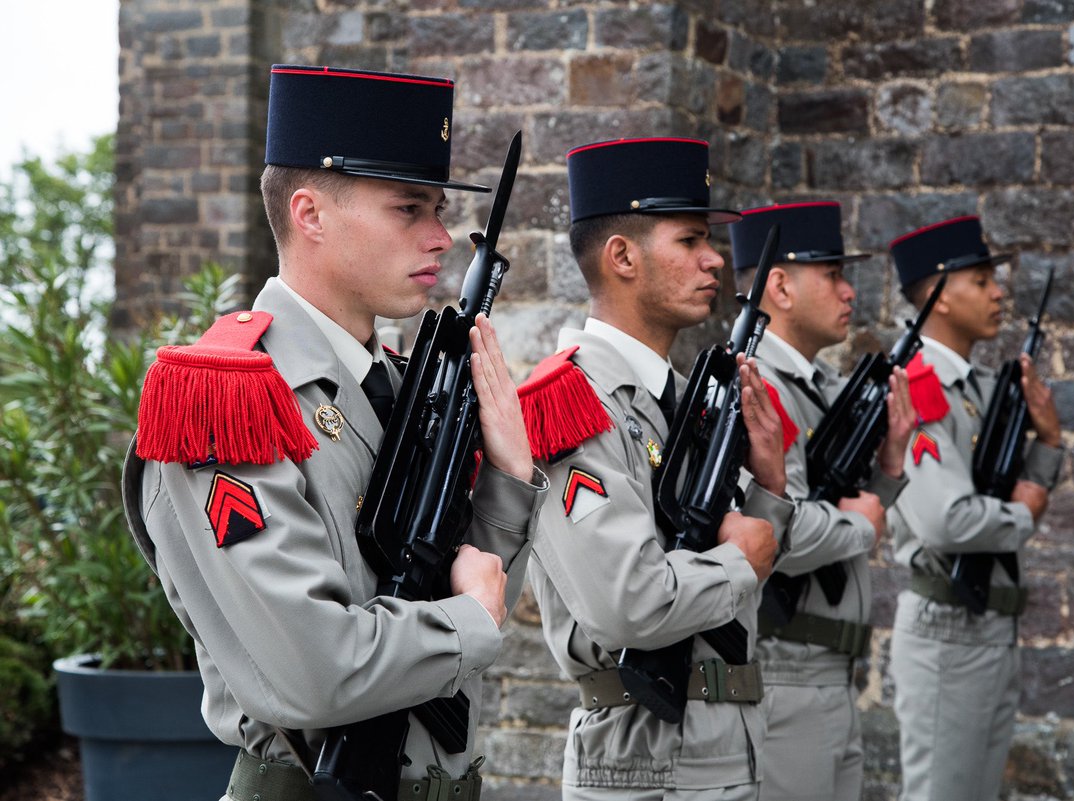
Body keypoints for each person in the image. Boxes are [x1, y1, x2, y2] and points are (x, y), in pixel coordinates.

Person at [121, 64, 547, 801]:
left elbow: (454, 577)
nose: (441, 236)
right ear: (311, 213)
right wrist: (471, 619)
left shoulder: (397, 386)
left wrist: (507, 479)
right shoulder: (229, 396)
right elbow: (314, 669)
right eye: (409, 208)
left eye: (439, 210)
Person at [517, 137, 793, 800]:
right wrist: (742, 561)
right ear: (622, 256)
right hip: (644, 761)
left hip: (725, 744)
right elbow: (625, 602)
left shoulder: (681, 396)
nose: (715, 260)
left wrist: (772, 493)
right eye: (691, 240)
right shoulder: (568, 401)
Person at [727, 202, 915, 801]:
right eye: (831, 273)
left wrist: (887, 473)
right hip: (785, 674)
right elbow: (775, 533)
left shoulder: (821, 388)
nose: (848, 291)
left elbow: (851, 507)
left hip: (832, 674)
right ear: (778, 285)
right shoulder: (758, 388)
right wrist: (861, 527)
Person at [885, 216, 1063, 801]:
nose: (999, 292)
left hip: (989, 622)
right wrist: (1025, 511)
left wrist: (1048, 447)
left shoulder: (982, 388)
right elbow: (948, 520)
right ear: (937, 295)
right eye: (981, 279)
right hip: (947, 631)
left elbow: (1005, 494)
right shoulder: (920, 384)